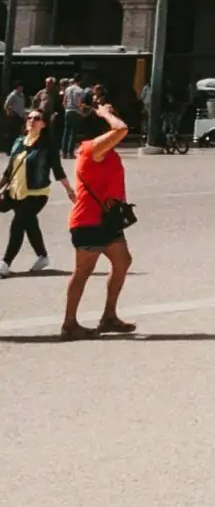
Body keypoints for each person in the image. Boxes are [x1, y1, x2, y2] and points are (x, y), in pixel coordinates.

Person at [59, 93, 135, 337]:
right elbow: (121, 129)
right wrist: (106, 113)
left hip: (107, 220)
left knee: (123, 262)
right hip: (89, 221)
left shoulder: (104, 150)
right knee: (83, 271)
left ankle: (109, 316)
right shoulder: (92, 149)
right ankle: (70, 324)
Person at [5, 107, 61, 275]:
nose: (32, 121)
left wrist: (70, 190)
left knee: (18, 223)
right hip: (17, 191)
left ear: (43, 124)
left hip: (37, 193)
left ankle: (5, 262)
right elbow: (9, 170)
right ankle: (42, 256)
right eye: (29, 118)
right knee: (29, 223)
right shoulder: (19, 141)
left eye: (36, 118)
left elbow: (57, 169)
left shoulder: (47, 145)